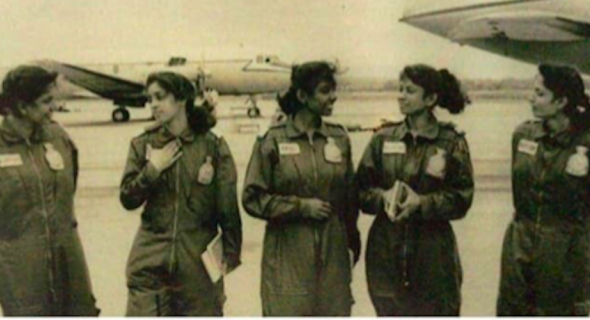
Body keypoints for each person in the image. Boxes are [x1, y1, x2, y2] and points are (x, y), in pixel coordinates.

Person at [0, 65, 99, 316]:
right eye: (46, 101)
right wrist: (11, 232)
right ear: (22, 106)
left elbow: (70, 184)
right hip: (20, 265)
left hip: (67, 257)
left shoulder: (58, 137)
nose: (53, 107)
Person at [243, 61, 360, 316]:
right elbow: (253, 198)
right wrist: (299, 207)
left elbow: (351, 197)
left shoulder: (339, 138)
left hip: (334, 255)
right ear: (302, 96)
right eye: (325, 91)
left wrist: (351, 241)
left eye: (333, 89)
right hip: (288, 255)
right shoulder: (273, 140)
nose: (333, 97)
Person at [121, 71, 242, 316]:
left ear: (182, 99)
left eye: (160, 97)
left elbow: (227, 207)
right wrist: (152, 170)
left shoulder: (212, 146)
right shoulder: (143, 144)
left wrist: (231, 251)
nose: (153, 104)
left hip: (197, 263)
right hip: (150, 262)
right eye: (150, 98)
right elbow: (128, 198)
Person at [356, 64, 473, 316]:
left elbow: (462, 198)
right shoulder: (383, 139)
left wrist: (422, 203)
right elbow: (360, 190)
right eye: (400, 89)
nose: (401, 95)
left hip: (433, 255)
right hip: (385, 251)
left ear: (430, 99)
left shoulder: (451, 142)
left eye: (409, 91)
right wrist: (383, 198)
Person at [497, 64, 590, 316]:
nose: (531, 98)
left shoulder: (585, 141)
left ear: (561, 101)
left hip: (565, 250)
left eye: (540, 93)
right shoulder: (523, 135)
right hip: (519, 244)